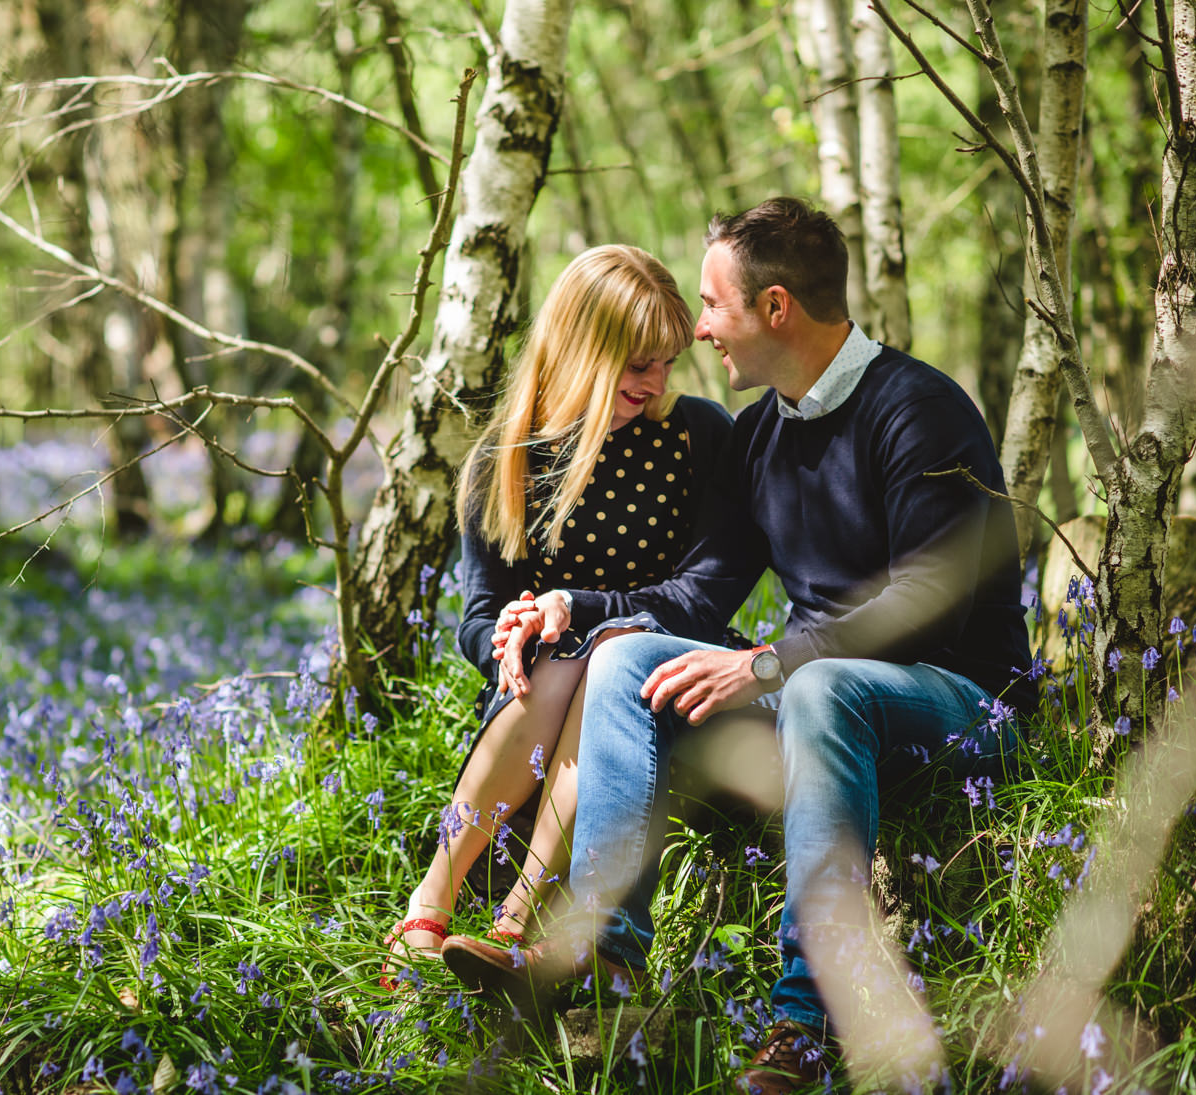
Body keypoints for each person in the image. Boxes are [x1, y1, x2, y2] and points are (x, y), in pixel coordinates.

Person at [441, 198, 1034, 1092]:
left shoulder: (920, 411)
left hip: (958, 705)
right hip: (814, 705)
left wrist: (766, 663)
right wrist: (576, 604)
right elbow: (702, 591)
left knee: (824, 686)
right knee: (625, 652)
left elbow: (927, 609)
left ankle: (805, 1014)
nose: (702, 329)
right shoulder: (759, 436)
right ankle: (607, 957)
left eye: (714, 306)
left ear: (776, 308)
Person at [379, 244, 734, 989]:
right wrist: (508, 633)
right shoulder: (505, 457)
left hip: (656, 673)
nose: (656, 382)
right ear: (583, 349)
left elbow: (704, 594)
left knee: (599, 652)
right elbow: (476, 617)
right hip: (533, 696)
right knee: (565, 656)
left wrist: (581, 613)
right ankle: (441, 900)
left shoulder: (698, 436)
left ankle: (507, 913)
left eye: (667, 362)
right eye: (638, 363)